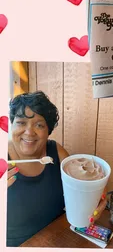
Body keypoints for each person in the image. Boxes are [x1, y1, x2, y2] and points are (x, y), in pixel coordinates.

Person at [7, 91, 107, 247]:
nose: (29, 132)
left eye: (39, 125)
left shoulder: (57, 153)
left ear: (48, 131)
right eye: (21, 122)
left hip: (60, 237)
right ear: (11, 124)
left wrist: (94, 198)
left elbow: (80, 191)